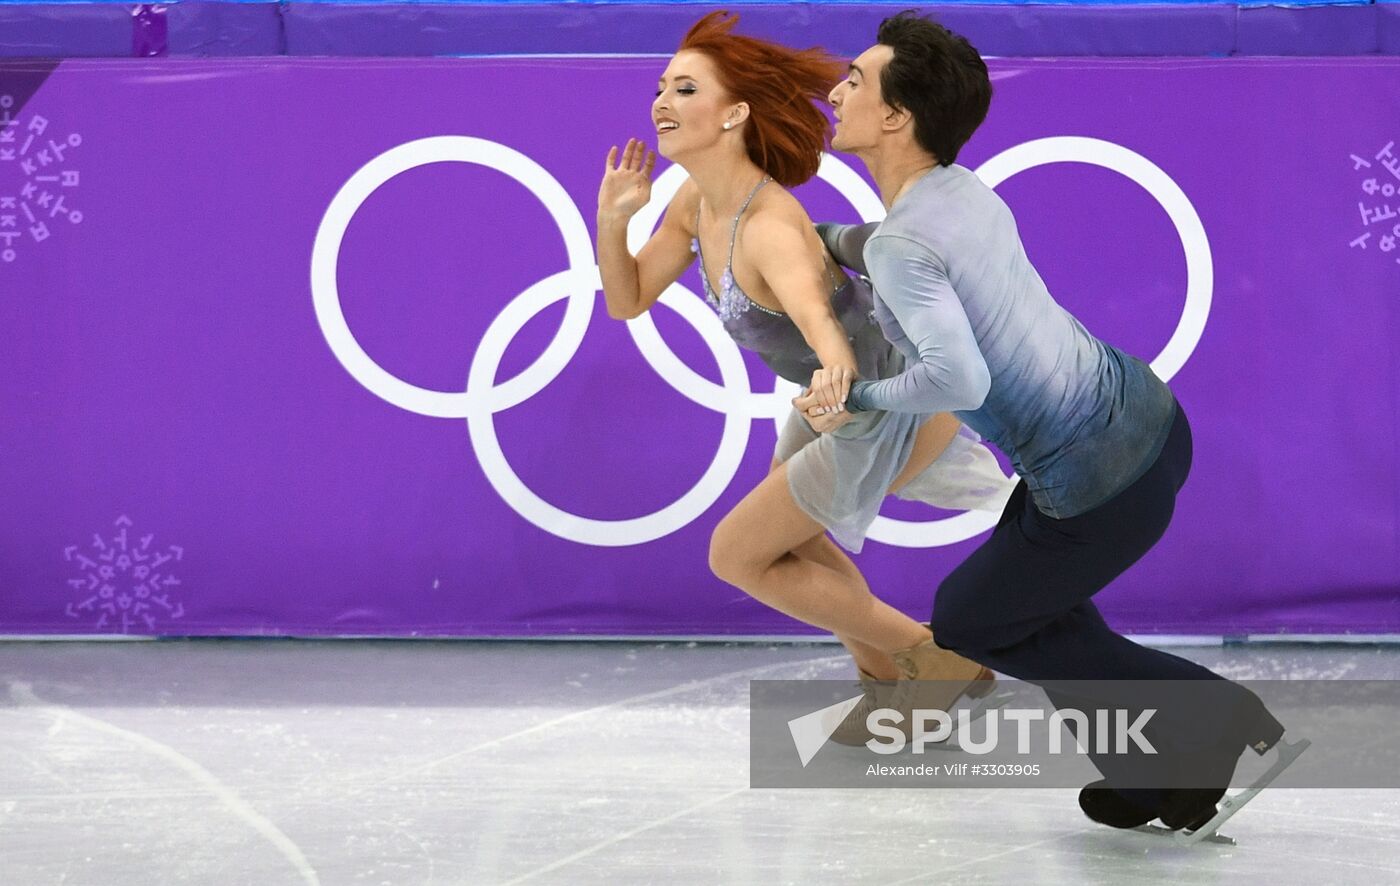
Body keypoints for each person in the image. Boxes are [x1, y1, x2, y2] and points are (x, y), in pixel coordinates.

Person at [806, 10, 1294, 830]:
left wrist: (853, 396)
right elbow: (898, 243)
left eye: (855, 79)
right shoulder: (958, 191)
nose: (836, 88)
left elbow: (952, 373)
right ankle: (1160, 781)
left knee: (969, 619)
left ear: (896, 115)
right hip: (1152, 428)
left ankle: (1214, 710)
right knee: (1037, 610)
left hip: (1098, 481)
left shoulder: (906, 242)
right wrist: (828, 239)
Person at [595, 11, 1011, 739]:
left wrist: (833, 390)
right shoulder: (697, 204)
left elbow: (828, 335)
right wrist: (611, 218)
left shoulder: (768, 229)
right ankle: (891, 690)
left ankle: (931, 659)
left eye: (685, 89)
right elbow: (626, 300)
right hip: (835, 395)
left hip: (867, 397)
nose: (661, 102)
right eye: (661, 86)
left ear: (735, 114)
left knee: (736, 554)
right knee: (793, 546)